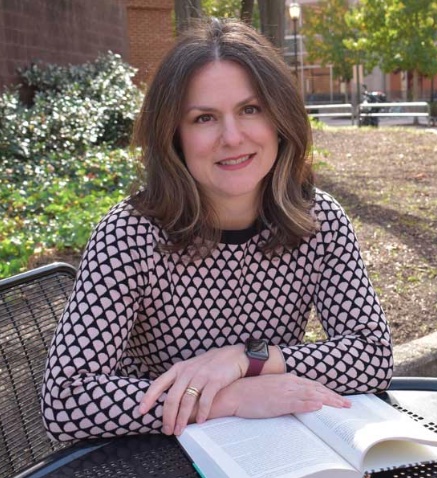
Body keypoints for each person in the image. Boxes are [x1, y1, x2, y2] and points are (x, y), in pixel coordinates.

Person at [40, 17, 393, 442]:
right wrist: (232, 398)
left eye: (250, 109)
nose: (232, 136)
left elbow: (373, 355)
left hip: (275, 451)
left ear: (280, 121)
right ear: (174, 137)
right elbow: (65, 398)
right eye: (204, 118)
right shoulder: (128, 236)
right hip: (157, 455)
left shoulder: (318, 221)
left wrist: (249, 360)